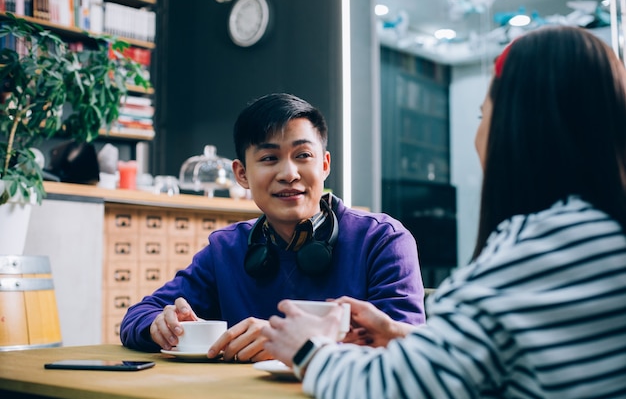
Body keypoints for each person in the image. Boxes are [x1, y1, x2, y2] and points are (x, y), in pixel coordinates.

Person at [262, 26, 626, 398]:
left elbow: (398, 390)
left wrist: (308, 349)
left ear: (519, 129)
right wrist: (403, 336)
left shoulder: (539, 252)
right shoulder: (598, 238)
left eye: (484, 116)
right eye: (269, 158)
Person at [120, 92, 426, 362]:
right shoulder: (225, 249)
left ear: (324, 164)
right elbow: (138, 315)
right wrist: (160, 324)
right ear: (241, 175)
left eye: (303, 155)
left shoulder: (383, 240)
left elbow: (408, 347)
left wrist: (291, 344)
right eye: (269, 158)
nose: (289, 173)